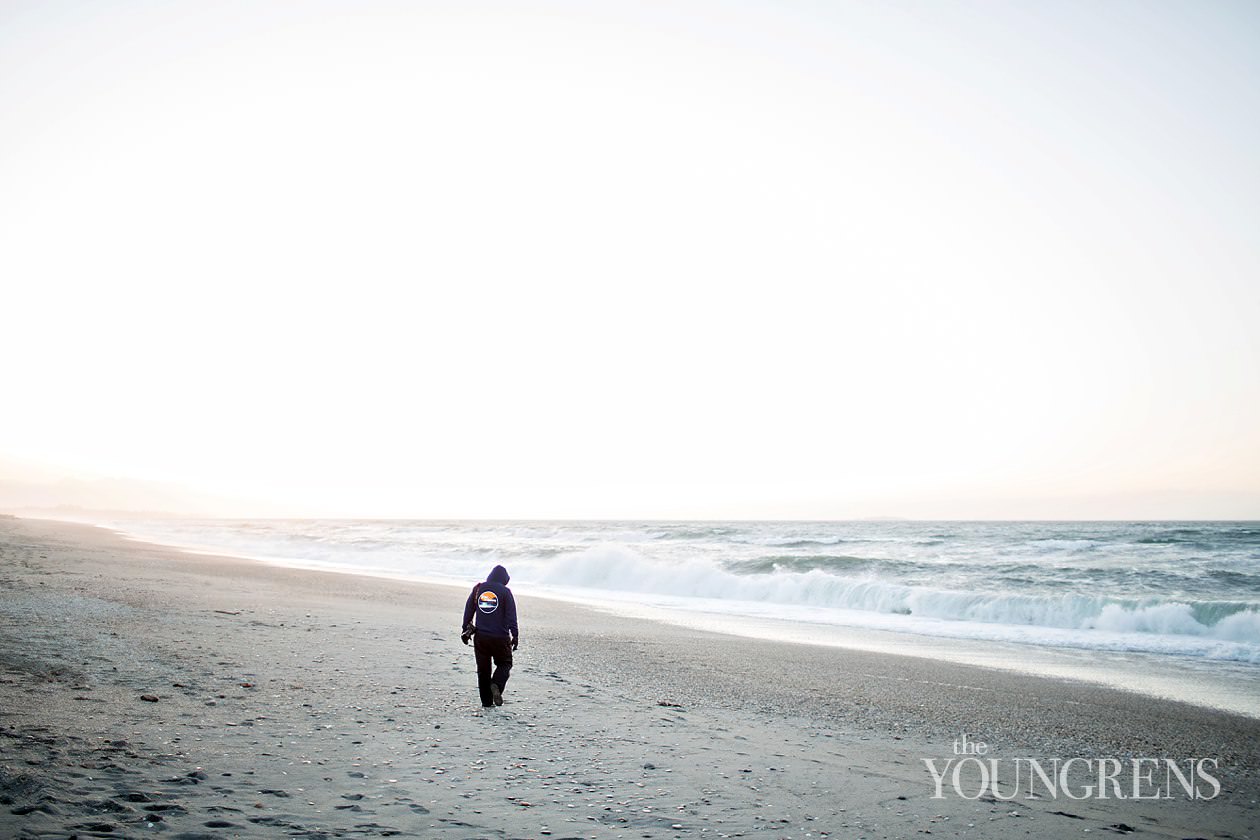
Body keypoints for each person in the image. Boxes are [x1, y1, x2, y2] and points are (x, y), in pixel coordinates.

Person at [461, 564, 518, 708]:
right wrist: (515, 635)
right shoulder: (506, 592)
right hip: (501, 637)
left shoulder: (478, 588)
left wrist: (465, 629)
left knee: (483, 671)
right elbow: (511, 616)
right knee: (505, 663)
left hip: (481, 637)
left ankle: (486, 703)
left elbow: (469, 610)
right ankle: (496, 685)